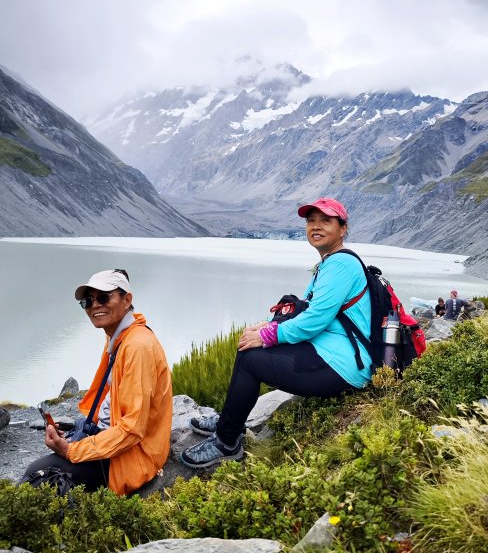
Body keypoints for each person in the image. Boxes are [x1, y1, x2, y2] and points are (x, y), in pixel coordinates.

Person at [180, 198, 373, 471]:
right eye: (311, 221)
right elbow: (308, 310)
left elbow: (315, 321)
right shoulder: (332, 263)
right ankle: (229, 421)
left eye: (326, 221)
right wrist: (265, 327)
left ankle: (226, 442)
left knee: (250, 358)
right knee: (250, 345)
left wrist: (269, 337)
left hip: (343, 366)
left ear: (343, 229)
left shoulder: (340, 265)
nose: (316, 226)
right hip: (333, 355)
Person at [21, 269, 172, 495]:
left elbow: (132, 430)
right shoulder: (120, 336)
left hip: (133, 457)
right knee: (39, 471)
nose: (94, 306)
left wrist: (73, 451)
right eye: (87, 301)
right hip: (113, 440)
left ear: (127, 299)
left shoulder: (137, 346)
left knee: (38, 478)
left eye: (103, 297)